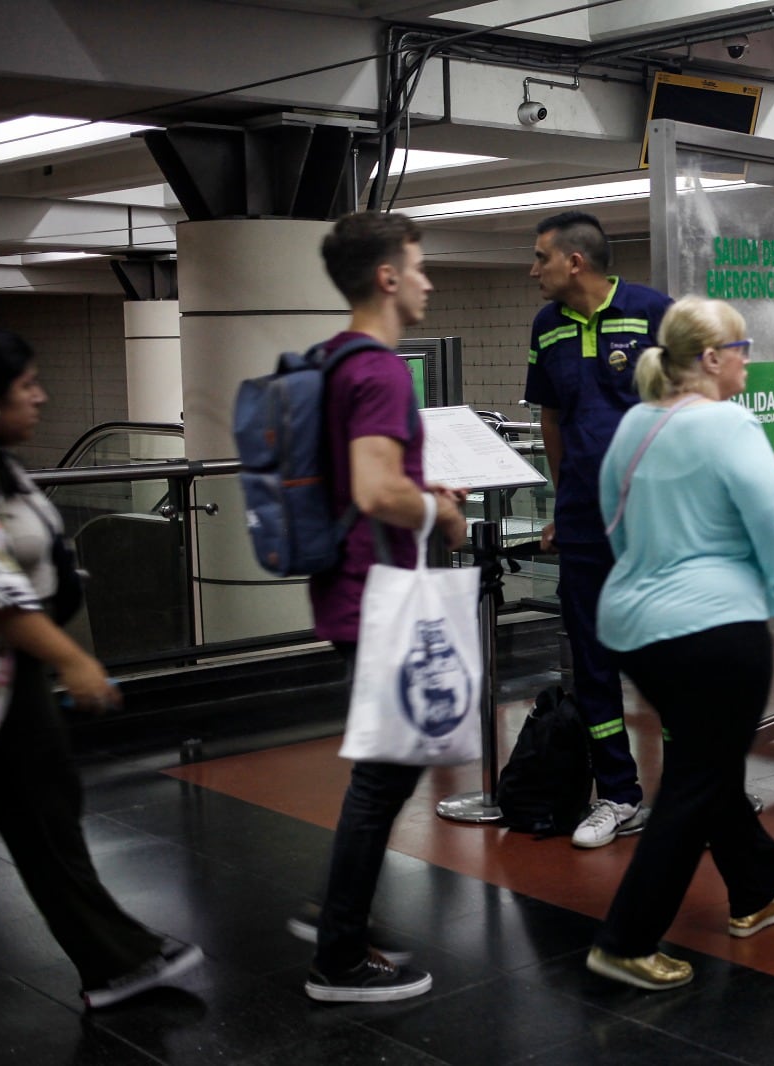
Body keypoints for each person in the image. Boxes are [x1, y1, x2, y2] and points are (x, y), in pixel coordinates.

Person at [0, 324, 204, 1009]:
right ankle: (114, 961)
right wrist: (76, 661)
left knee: (47, 813)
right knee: (43, 815)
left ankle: (114, 955)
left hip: (12, 675)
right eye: (27, 387)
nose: (41, 398)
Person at [585, 296, 774, 991]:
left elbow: (614, 524)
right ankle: (625, 940)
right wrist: (773, 576)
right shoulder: (729, 424)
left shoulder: (635, 425)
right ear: (711, 360)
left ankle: (757, 888)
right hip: (715, 629)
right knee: (697, 777)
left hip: (637, 626)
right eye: (740, 347)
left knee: (706, 760)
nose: (747, 358)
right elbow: (772, 518)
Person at [292, 211, 468, 1001]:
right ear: (388, 277)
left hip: (345, 585)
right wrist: (442, 513)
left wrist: (418, 492)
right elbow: (371, 488)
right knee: (385, 776)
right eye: (419, 266)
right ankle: (337, 955)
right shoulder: (383, 371)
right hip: (381, 594)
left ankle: (337, 910)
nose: (429, 280)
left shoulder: (331, 360)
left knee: (385, 770)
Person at [524, 210, 675, 849]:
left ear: (574, 262)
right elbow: (552, 422)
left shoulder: (652, 311)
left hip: (655, 520)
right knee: (592, 659)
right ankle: (618, 795)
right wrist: (562, 506)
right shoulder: (546, 328)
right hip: (586, 521)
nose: (533, 270)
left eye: (540, 258)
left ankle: (697, 787)